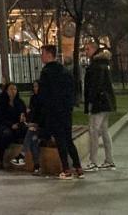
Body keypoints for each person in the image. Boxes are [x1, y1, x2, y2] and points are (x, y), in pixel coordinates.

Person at [37, 44, 83, 180]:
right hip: (66, 111)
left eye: (43, 53)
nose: (41, 56)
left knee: (60, 140)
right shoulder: (64, 71)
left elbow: (43, 95)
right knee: (68, 139)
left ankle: (66, 169)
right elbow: (71, 91)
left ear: (49, 55)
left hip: (54, 111)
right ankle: (78, 168)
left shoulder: (46, 72)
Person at [83, 46, 116, 170]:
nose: (86, 52)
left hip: (98, 103)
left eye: (88, 49)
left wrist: (91, 101)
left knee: (94, 131)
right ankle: (109, 160)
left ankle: (93, 162)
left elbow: (94, 86)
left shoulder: (95, 66)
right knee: (104, 131)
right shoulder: (104, 65)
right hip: (106, 102)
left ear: (94, 51)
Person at [0, 81, 27, 169]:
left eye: (15, 89)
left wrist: (23, 119)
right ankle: (0, 159)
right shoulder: (0, 102)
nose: (13, 91)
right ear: (6, 91)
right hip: (3, 125)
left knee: (27, 131)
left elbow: (23, 114)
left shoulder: (20, 102)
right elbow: (0, 118)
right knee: (6, 134)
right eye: (10, 89)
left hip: (17, 125)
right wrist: (11, 125)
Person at [11, 79, 43, 173]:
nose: (35, 88)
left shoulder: (45, 99)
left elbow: (45, 117)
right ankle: (36, 166)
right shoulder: (33, 98)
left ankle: (22, 155)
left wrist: (35, 124)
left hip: (44, 126)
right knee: (33, 138)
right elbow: (31, 112)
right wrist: (26, 117)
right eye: (34, 86)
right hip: (34, 127)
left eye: (37, 86)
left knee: (32, 132)